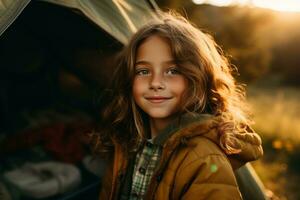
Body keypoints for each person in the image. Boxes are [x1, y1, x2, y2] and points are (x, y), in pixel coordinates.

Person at [91, 12, 263, 200]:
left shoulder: (204, 159)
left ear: (197, 78)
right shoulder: (127, 141)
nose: (155, 82)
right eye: (143, 71)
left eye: (172, 71)